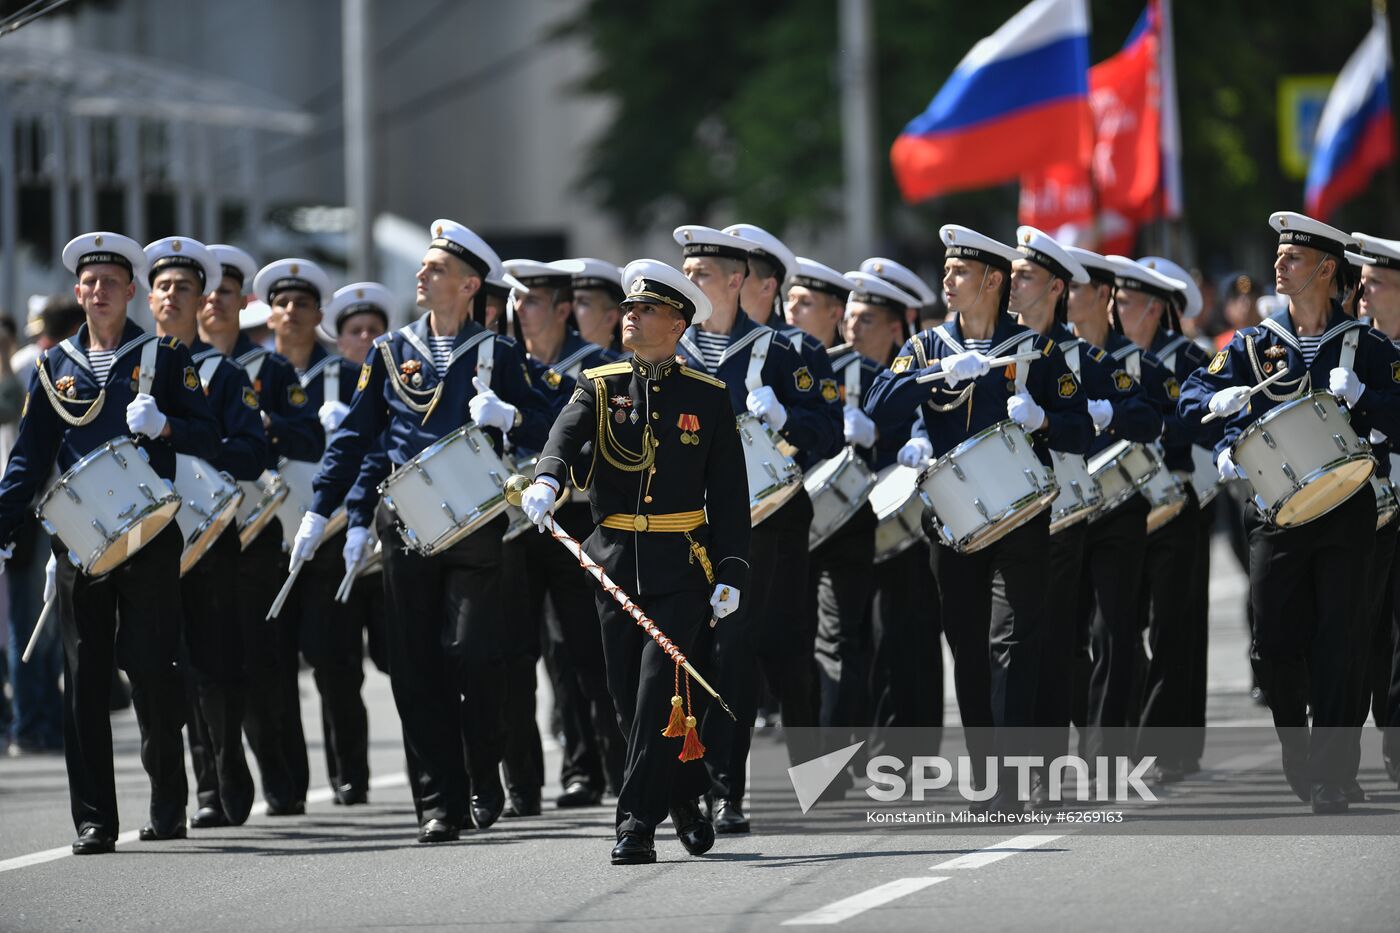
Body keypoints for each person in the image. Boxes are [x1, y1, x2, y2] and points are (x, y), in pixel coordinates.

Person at [296, 219, 552, 843]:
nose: (422, 274)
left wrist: (512, 414)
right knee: (415, 667)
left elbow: (552, 424)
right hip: (406, 524)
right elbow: (355, 438)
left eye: (436, 269)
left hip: (477, 524)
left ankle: (482, 771)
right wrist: (319, 508)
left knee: (472, 656)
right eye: (424, 267)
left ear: (469, 286)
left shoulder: (498, 353)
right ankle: (439, 803)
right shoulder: (390, 352)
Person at [518, 258, 749, 864]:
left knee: (656, 691)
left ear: (677, 324)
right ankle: (684, 798)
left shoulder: (709, 396)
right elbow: (562, 442)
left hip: (681, 564)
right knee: (624, 698)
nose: (630, 316)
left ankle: (635, 825)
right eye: (628, 308)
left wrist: (731, 570)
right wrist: (547, 481)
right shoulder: (600, 385)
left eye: (645, 310)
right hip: (614, 560)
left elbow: (729, 495)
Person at [0, 232, 221, 853]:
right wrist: (3, 527)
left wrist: (168, 424)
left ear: (131, 292)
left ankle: (167, 802)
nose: (98, 291)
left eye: (110, 282)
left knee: (153, 672)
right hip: (78, 541)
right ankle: (95, 818)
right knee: (85, 679)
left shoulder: (167, 358)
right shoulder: (53, 367)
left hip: (149, 534)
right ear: (78, 292)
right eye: (89, 282)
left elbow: (209, 434)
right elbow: (29, 458)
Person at [864, 224, 1092, 812]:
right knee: (966, 644)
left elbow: (1080, 428)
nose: (948, 280)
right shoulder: (926, 347)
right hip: (951, 522)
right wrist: (932, 377)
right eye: (946, 270)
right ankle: (990, 771)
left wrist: (1042, 419)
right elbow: (878, 404)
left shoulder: (1036, 351)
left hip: (1021, 516)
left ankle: (1012, 780)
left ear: (992, 280)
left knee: (1011, 642)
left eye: (960, 272)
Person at [1178, 212, 1400, 813]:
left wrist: (1371, 401)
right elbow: (1192, 398)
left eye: (1293, 258)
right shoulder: (1253, 345)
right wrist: (1218, 418)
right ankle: (1297, 750)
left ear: (1327, 269)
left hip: (1347, 508)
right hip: (1276, 515)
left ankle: (1332, 774)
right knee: (1274, 645)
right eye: (1278, 255)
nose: (1278, 265)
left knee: (1341, 643)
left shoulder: (1368, 346)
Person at [673, 224, 843, 833]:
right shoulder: (669, 351)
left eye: (702, 275)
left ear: (738, 281)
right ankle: (724, 790)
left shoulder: (791, 350)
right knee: (720, 650)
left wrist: (786, 418)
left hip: (768, 523)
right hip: (692, 527)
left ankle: (811, 775)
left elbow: (828, 429)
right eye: (686, 273)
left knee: (782, 648)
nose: (689, 283)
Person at [144, 238, 266, 830]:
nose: (172, 297)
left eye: (184, 288)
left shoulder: (222, 373)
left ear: (201, 302)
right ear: (150, 297)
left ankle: (222, 779)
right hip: (144, 538)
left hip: (209, 536)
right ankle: (183, 789)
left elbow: (249, 451)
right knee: (164, 667)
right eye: (163, 286)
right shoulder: (128, 367)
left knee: (213, 664)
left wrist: (175, 434)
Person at [501, 258, 625, 815]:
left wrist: (514, 421)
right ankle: (534, 779)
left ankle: (610, 767)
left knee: (585, 649)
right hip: (514, 523)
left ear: (560, 308)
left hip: (575, 517)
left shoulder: (598, 364)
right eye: (516, 301)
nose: (518, 310)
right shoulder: (508, 363)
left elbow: (570, 431)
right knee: (522, 652)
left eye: (530, 300)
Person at [267, 275, 388, 808]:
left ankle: (350, 774)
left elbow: (370, 444)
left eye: (302, 303)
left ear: (318, 314)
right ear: (267, 312)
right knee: (270, 669)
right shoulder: (251, 373)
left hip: (327, 533)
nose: (291, 310)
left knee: (334, 663)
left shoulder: (344, 373)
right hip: (263, 537)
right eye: (281, 302)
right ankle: (287, 785)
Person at [783, 258, 879, 750]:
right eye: (790, 301)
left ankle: (837, 754)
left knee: (840, 637)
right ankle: (810, 751)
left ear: (835, 312)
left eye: (806, 304)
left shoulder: (863, 371)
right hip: (789, 516)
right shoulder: (774, 364)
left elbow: (908, 443)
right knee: (792, 642)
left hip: (846, 521)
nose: (792, 311)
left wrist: (877, 436)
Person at [1132, 254, 1215, 780]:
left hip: (1178, 501)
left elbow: (1202, 419)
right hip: (1121, 505)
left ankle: (1173, 744)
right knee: (1113, 627)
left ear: (1160, 306)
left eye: (1131, 297)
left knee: (1175, 626)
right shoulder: (1105, 354)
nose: (1119, 305)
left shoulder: (1189, 357)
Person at [4, 299, 83, 757]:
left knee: (48, 621)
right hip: (27, 506)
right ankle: (31, 722)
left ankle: (44, 717)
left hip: (43, 505)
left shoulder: (30, 361)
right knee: (31, 622)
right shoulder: (38, 366)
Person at [1352, 232, 1400, 789]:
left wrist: (1368, 400)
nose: (1362, 293)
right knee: (1358, 628)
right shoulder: (1351, 348)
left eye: (1376, 283)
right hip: (1362, 507)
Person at [570, 258, 625, 352]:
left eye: (583, 302)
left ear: (610, 318)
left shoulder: (629, 365)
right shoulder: (545, 364)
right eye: (571, 301)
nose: (571, 308)